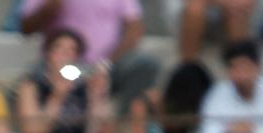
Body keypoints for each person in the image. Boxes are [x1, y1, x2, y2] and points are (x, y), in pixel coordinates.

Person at [17, 28, 113, 133]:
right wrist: (57, 97)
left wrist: (96, 98)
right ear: (48, 54)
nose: (66, 55)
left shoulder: (84, 87)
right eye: (60, 49)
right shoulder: (32, 85)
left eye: (72, 51)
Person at [21, 0, 160, 107]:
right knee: (35, 76)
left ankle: (125, 125)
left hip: (108, 65)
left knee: (146, 65)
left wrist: (106, 63)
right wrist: (52, 5)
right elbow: (26, 28)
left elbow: (135, 29)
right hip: (62, 67)